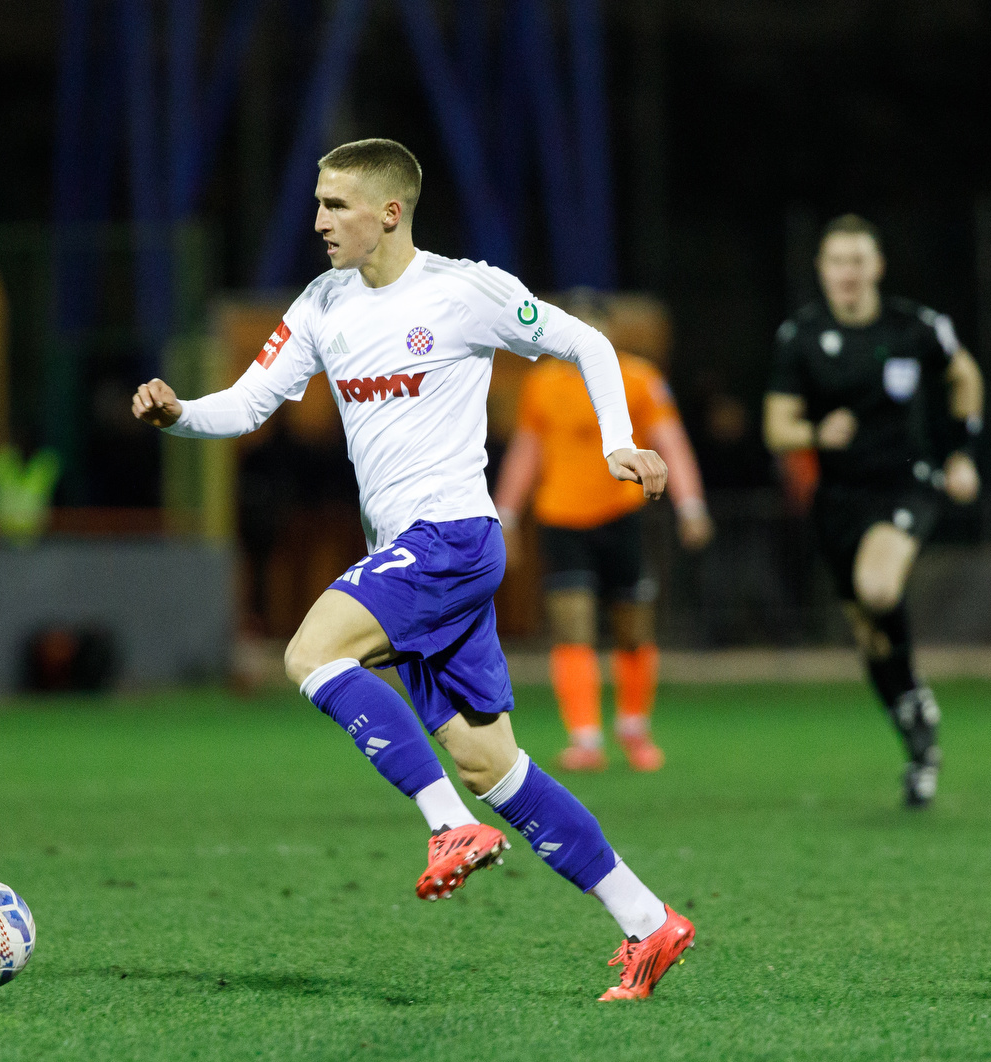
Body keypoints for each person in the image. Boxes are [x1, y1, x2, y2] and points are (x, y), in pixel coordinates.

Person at [130, 139, 694, 1000]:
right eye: (318, 203)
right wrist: (176, 414)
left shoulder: (466, 292)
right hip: (414, 555)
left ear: (389, 212)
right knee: (489, 764)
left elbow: (588, 343)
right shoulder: (323, 303)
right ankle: (650, 922)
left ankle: (446, 830)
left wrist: (619, 439)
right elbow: (248, 402)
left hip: (452, 537)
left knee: (310, 654)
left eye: (335, 205)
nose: (317, 222)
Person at [762, 214, 983, 806]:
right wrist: (817, 431)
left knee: (878, 589)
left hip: (906, 484)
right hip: (837, 500)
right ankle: (917, 730)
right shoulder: (801, 337)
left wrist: (960, 451)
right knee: (872, 638)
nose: (848, 274)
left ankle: (915, 710)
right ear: (823, 271)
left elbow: (965, 376)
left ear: (877, 267)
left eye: (858, 261)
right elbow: (777, 428)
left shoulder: (916, 326)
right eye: (838, 262)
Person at [494, 291, 712, 773]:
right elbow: (527, 451)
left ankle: (633, 728)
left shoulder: (638, 378)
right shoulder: (543, 383)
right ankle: (585, 738)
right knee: (572, 623)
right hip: (561, 518)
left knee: (633, 627)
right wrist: (505, 515)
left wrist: (691, 504)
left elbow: (670, 442)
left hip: (621, 516)